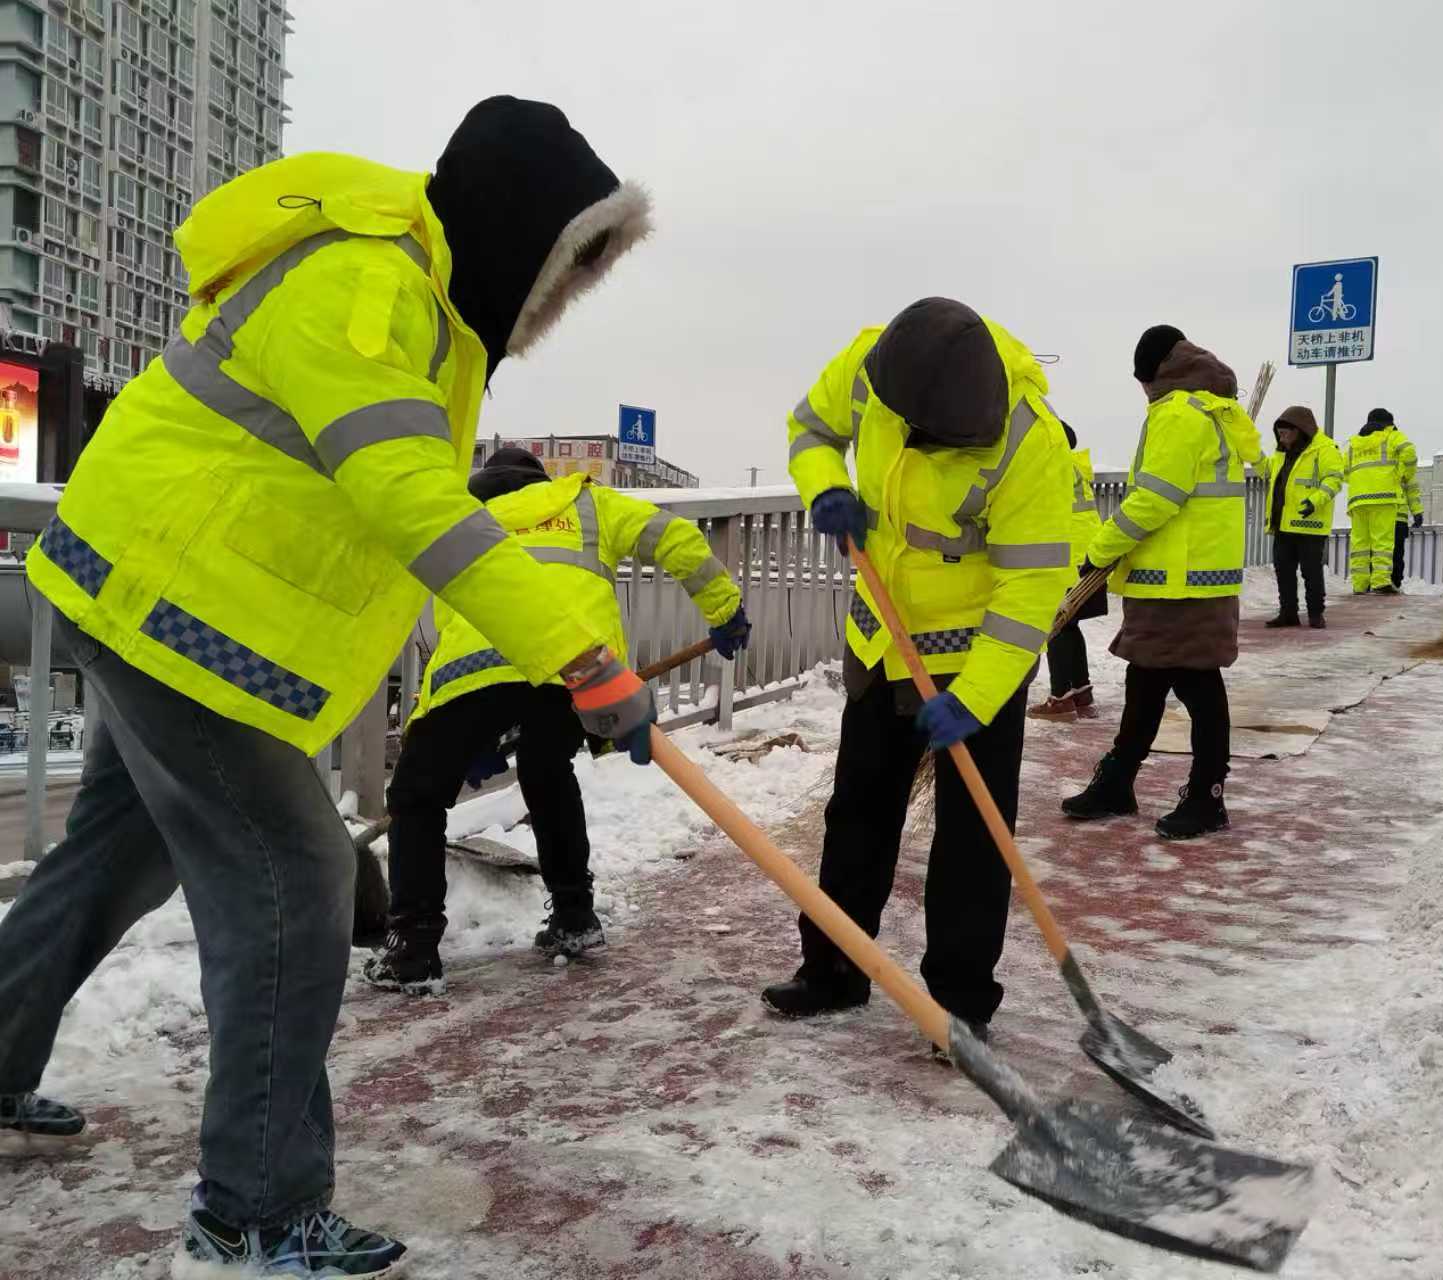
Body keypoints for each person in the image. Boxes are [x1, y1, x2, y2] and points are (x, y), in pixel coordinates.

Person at [0, 98, 658, 1279]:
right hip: (172, 608)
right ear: (516, 232)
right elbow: (411, 497)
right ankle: (255, 1209)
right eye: (562, 262)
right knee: (297, 883)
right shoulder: (367, 286)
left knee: (117, 853)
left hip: (165, 599)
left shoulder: (421, 299)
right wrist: (587, 654)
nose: (554, 299)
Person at [762, 297, 1074, 1039]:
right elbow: (808, 428)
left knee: (973, 837)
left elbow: (1031, 586)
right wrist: (824, 488)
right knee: (857, 815)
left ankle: (959, 1004)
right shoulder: (874, 366)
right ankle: (834, 971)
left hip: (978, 662)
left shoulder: (1029, 443)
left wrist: (979, 695)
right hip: (879, 646)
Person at [364, 447, 748, 995]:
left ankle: (414, 947)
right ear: (538, 482)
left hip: (474, 671)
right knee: (547, 773)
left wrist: (452, 732)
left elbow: (452, 626)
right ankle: (574, 917)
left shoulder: (467, 524)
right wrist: (725, 610)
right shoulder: (586, 503)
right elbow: (675, 538)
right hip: (574, 672)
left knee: (418, 795)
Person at [1062, 325, 1261, 838]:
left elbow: (1155, 498)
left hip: (1181, 583)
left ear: (1154, 373)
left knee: (1197, 686)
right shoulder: (1210, 411)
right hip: (1179, 580)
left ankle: (1207, 795)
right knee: (1144, 683)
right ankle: (1118, 781)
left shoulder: (1177, 414)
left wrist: (1099, 550)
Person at [1029, 421, 1107, 720]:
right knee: (1070, 624)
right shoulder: (1072, 466)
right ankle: (1081, 690)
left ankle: (1060, 699)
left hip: (1064, 554)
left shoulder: (1048, 467)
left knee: (1056, 625)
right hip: (1086, 552)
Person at [1262, 405, 1342, 629]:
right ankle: (1288, 612)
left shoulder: (1325, 449)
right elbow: (1270, 474)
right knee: (1283, 571)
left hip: (1310, 524)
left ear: (1299, 431)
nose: (1282, 437)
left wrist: (1315, 501)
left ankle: (1316, 614)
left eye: (1286, 433)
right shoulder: (1281, 454)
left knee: (1311, 571)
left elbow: (1334, 479)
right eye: (1279, 433)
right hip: (1283, 523)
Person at [1345, 408, 1412, 595]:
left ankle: (1359, 584)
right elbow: (1409, 453)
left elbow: (1343, 469)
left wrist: (1359, 481)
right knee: (1382, 541)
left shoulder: (1353, 443)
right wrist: (1400, 474)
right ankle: (1381, 582)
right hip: (1383, 496)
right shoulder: (1391, 436)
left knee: (1360, 544)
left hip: (1357, 499)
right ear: (1387, 423)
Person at [1389, 414, 1425, 588]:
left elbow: (1411, 489)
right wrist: (1416, 512)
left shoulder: (1402, 463)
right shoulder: (1384, 460)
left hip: (1397, 517)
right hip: (1392, 517)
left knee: (1395, 555)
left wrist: (1417, 511)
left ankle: (1394, 583)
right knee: (1390, 554)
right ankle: (1383, 583)